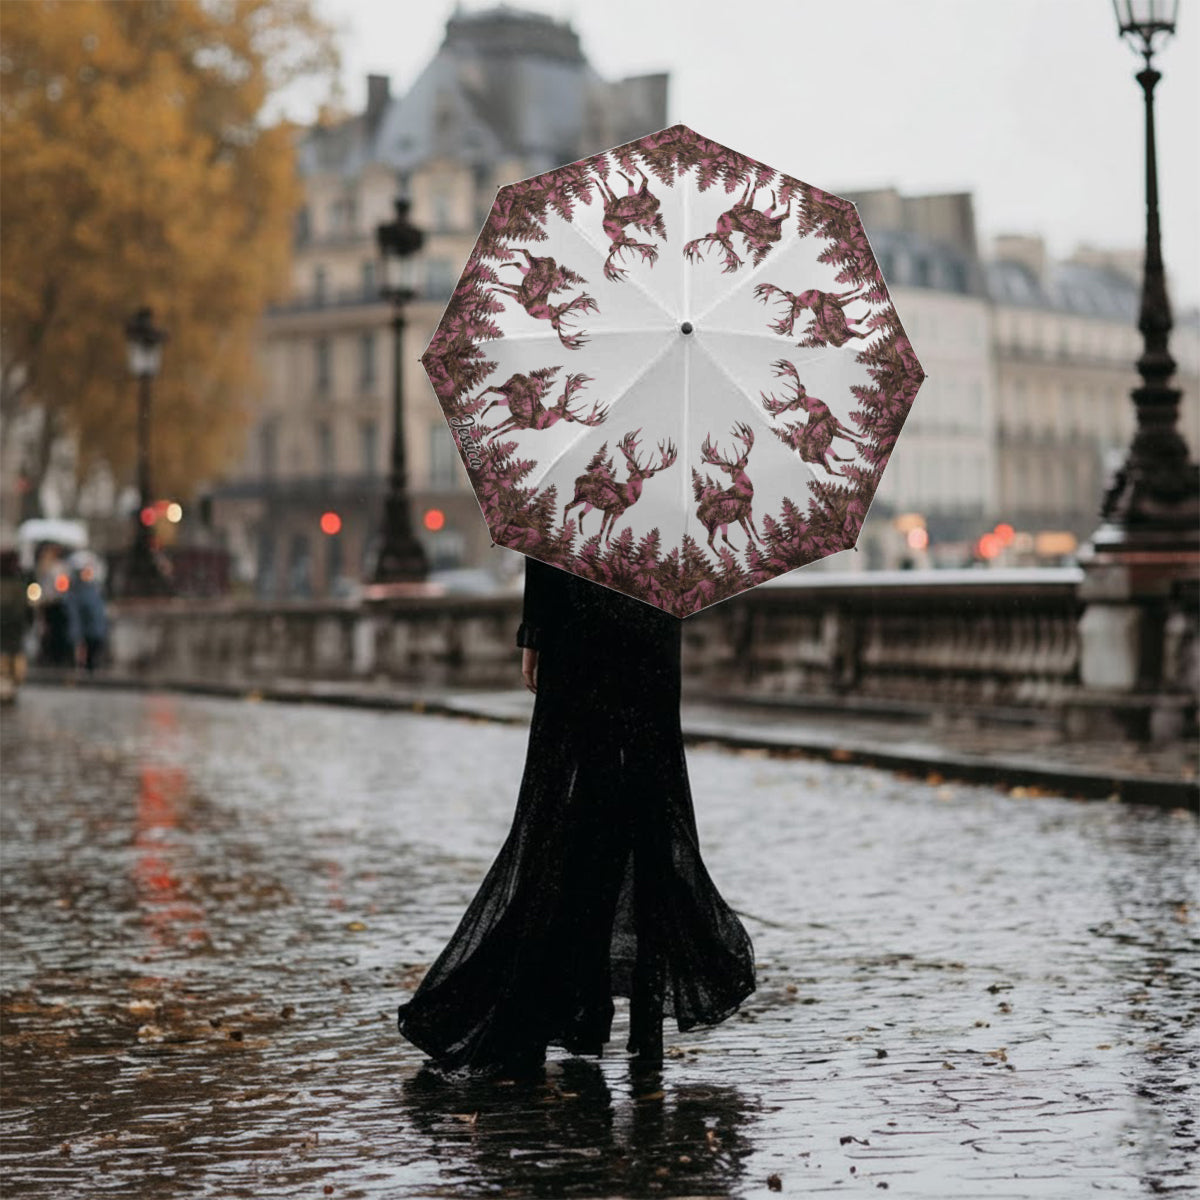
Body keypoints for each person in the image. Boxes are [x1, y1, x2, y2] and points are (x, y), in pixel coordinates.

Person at [396, 554, 756, 1077]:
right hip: (648, 622)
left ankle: (562, 998)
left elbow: (545, 539)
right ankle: (639, 1018)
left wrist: (534, 633)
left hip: (579, 620)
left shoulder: (571, 480)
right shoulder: (669, 476)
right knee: (646, 811)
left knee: (573, 812)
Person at [65, 553, 108, 672]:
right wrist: (76, 635)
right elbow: (75, 616)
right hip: (86, 632)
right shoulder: (76, 591)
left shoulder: (95, 588)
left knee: (94, 654)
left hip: (96, 631)